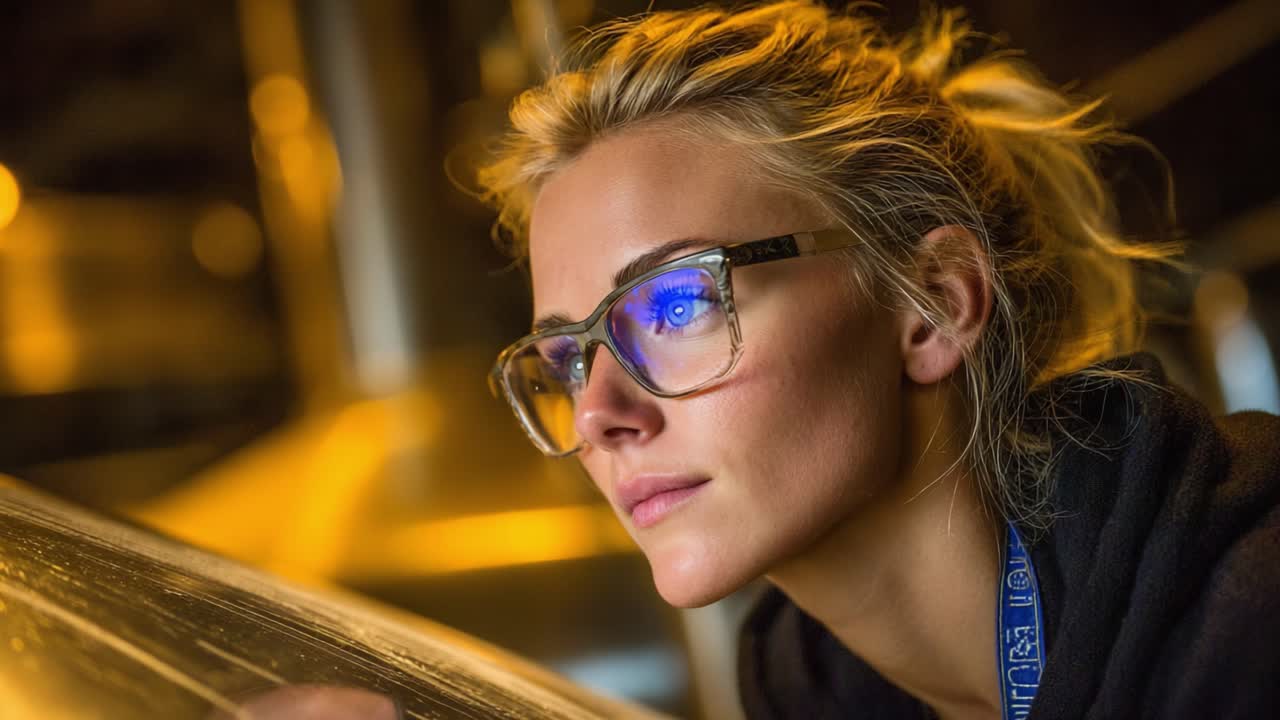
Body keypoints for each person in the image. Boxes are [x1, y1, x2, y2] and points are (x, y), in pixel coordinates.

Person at [472, 2, 1280, 718]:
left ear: (932, 306)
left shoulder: (1247, 626)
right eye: (568, 358)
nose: (596, 414)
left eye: (678, 304)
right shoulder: (802, 689)